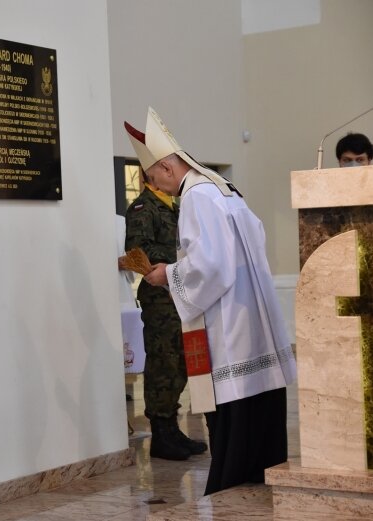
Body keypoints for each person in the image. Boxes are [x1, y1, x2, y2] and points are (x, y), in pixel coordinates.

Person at [125, 107, 297, 495]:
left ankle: (231, 482)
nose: (157, 188)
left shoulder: (197, 198)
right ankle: (256, 475)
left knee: (234, 407)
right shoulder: (222, 188)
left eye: (155, 179)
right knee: (256, 407)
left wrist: (166, 275)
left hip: (229, 324)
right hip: (250, 313)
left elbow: (212, 267)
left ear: (168, 168)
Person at [120, 170, 207, 461]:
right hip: (159, 297)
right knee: (163, 360)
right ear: (152, 176)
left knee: (180, 360)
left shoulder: (175, 206)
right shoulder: (143, 207)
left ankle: (172, 427)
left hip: (180, 293)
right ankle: (161, 431)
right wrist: (180, 256)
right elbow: (137, 247)